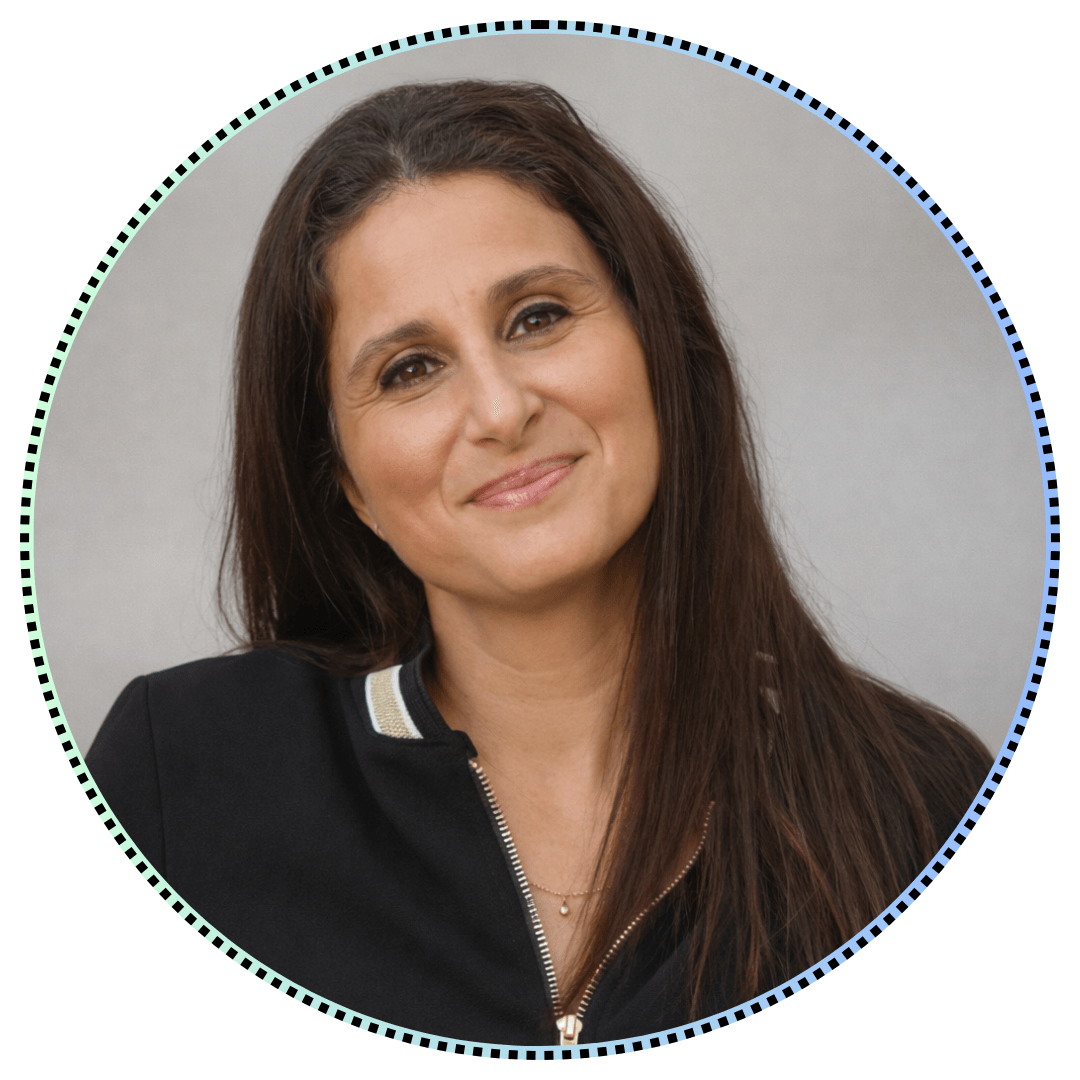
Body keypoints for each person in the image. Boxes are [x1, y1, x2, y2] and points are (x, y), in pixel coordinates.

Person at [87, 79, 992, 1047]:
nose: (500, 409)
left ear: (657, 343)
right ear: (346, 481)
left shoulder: (918, 802)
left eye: (538, 317)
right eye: (410, 369)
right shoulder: (181, 774)